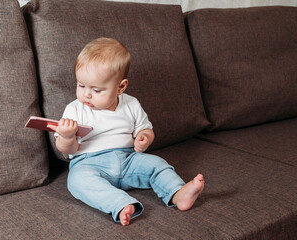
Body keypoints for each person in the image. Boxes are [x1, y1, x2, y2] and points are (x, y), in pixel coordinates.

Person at [48, 37, 205, 226]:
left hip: (129, 160)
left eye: (96, 90)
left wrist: (144, 138)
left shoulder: (131, 104)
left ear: (120, 87)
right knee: (77, 181)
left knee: (157, 164)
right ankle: (120, 204)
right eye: (81, 85)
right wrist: (66, 136)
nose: (86, 94)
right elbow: (68, 150)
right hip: (88, 163)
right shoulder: (74, 109)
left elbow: (146, 129)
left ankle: (177, 193)